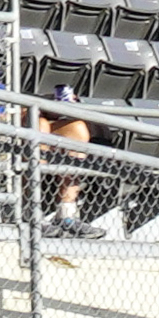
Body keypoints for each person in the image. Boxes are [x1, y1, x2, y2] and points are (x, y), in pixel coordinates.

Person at [38, 86, 99, 239]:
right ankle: (30, 210)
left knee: (76, 129)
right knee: (39, 126)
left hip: (39, 110)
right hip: (12, 118)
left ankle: (66, 214)